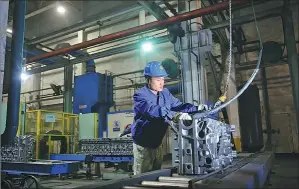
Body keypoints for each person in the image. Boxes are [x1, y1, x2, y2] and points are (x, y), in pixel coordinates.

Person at [131, 61, 208, 175]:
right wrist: (175, 115)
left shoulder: (165, 93)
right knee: (141, 177)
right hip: (143, 143)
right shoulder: (140, 95)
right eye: (158, 80)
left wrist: (196, 108)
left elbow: (178, 105)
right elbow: (153, 110)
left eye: (162, 79)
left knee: (155, 175)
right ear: (148, 79)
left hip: (157, 142)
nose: (162, 83)